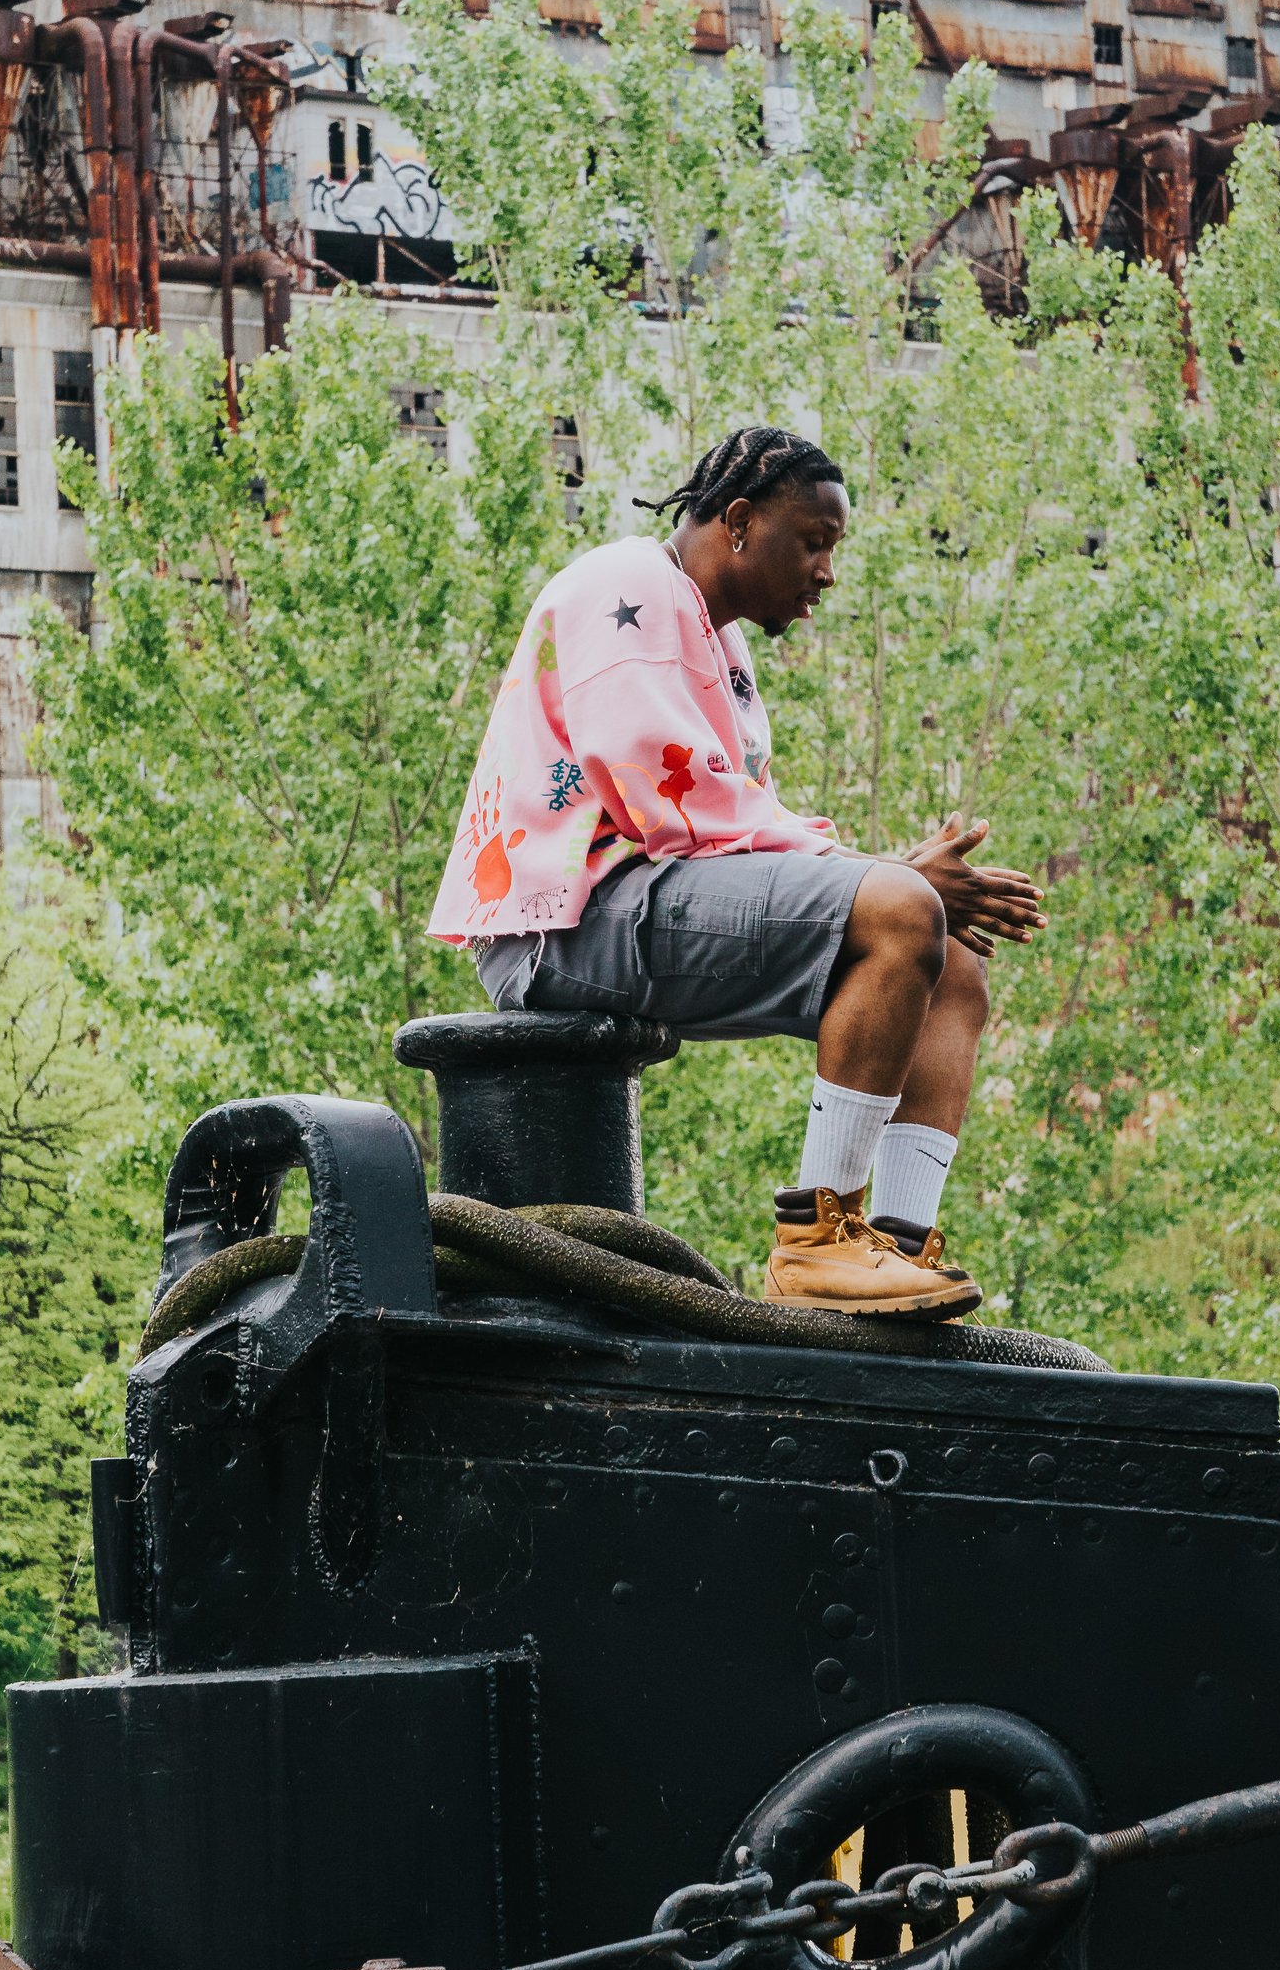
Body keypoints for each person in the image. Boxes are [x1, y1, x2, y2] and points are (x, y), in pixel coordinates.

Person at [427, 423, 1043, 1315]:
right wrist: (884, 878)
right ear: (743, 521)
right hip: (561, 925)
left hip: (635, 904)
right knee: (906, 911)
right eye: (814, 542)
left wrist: (882, 879)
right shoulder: (625, 586)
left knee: (953, 964)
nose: (827, 572)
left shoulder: (719, 640)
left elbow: (737, 824)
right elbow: (676, 807)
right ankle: (815, 1241)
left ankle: (890, 1248)